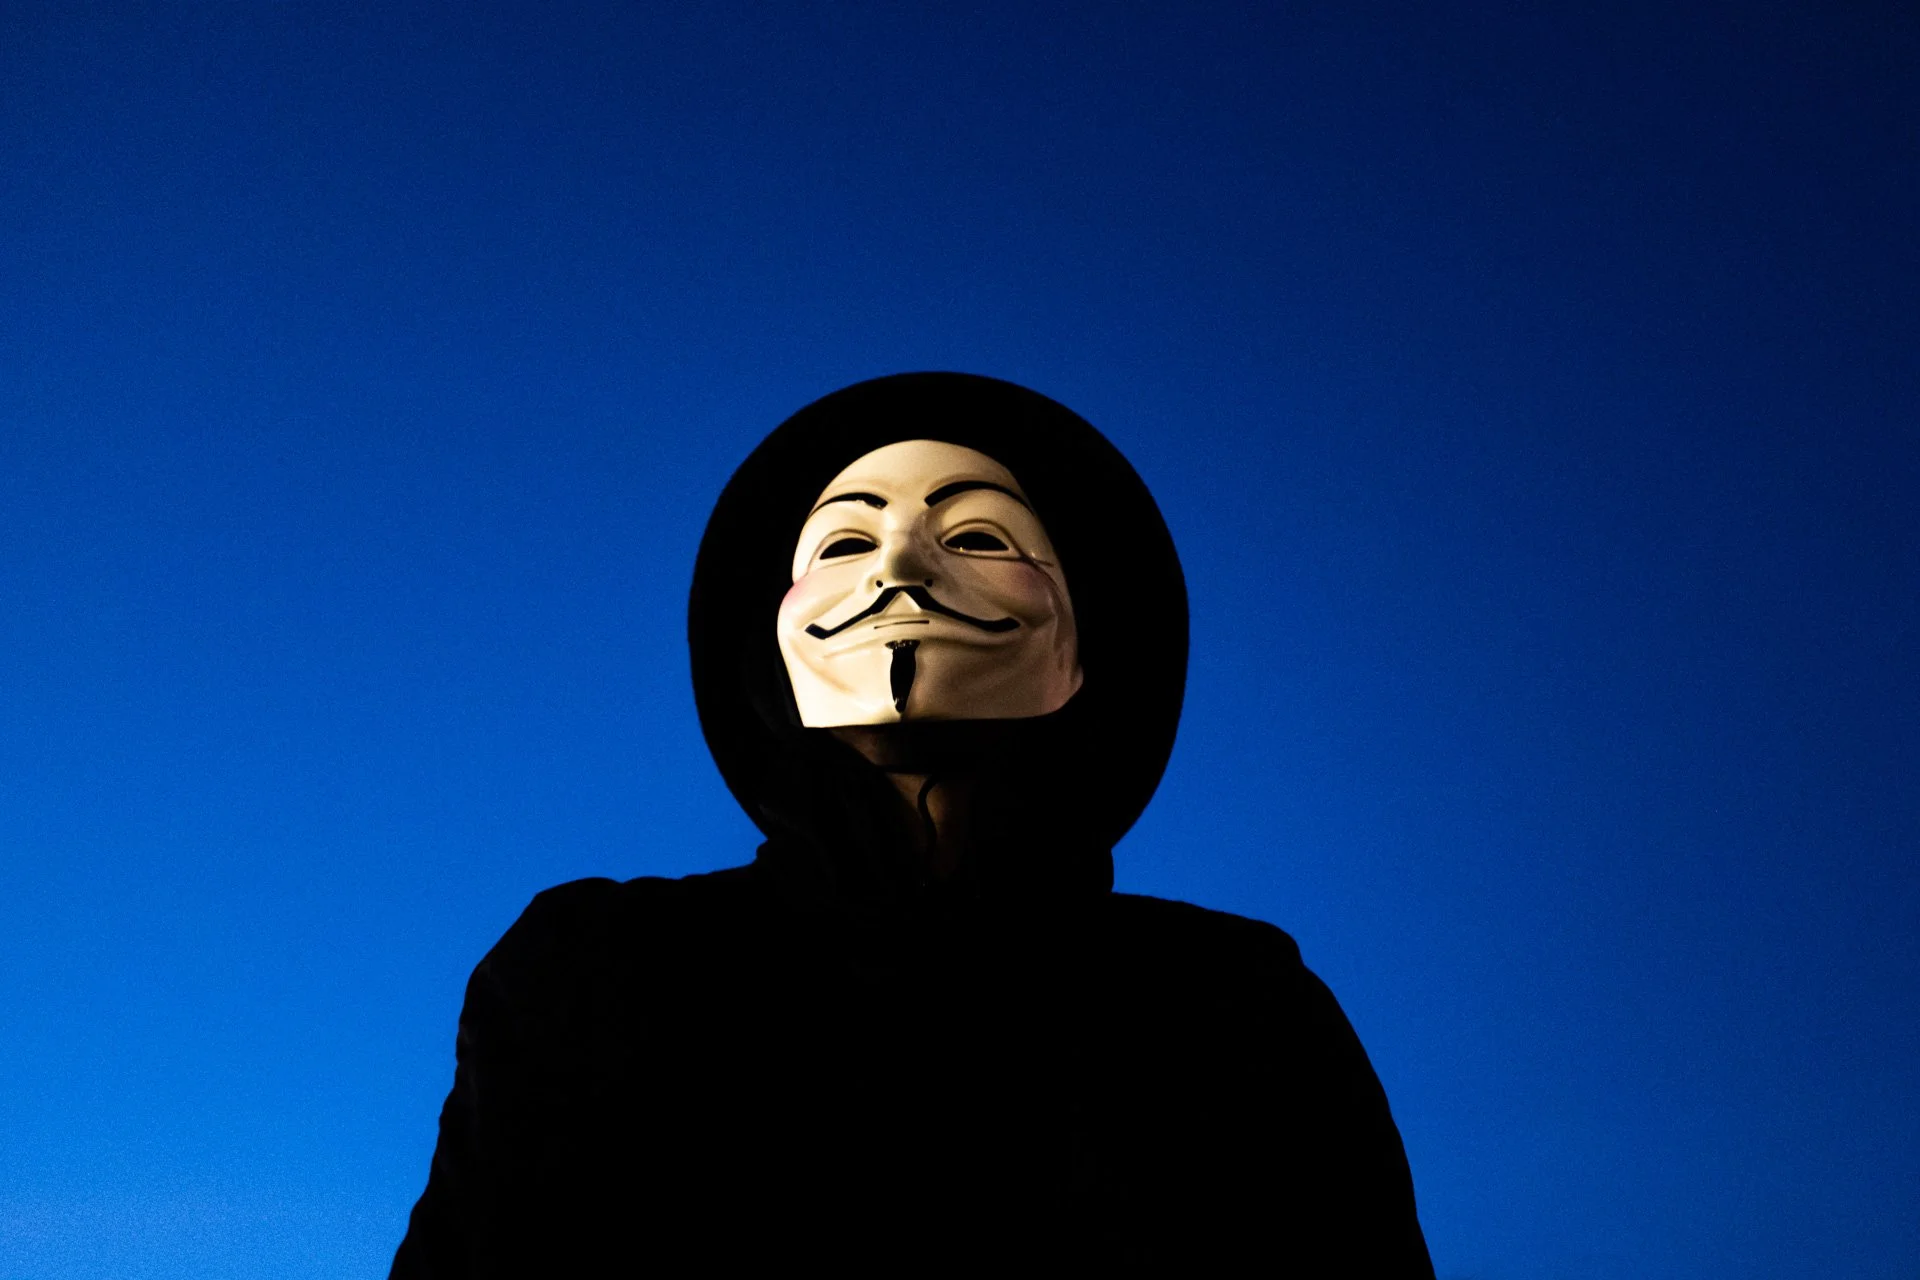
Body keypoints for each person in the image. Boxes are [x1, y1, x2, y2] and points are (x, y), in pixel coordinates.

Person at [390, 373, 1434, 1274]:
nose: (900, 570)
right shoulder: (594, 969)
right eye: (845, 540)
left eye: (978, 535)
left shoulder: (1233, 1007)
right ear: (771, 652)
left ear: (1086, 649)